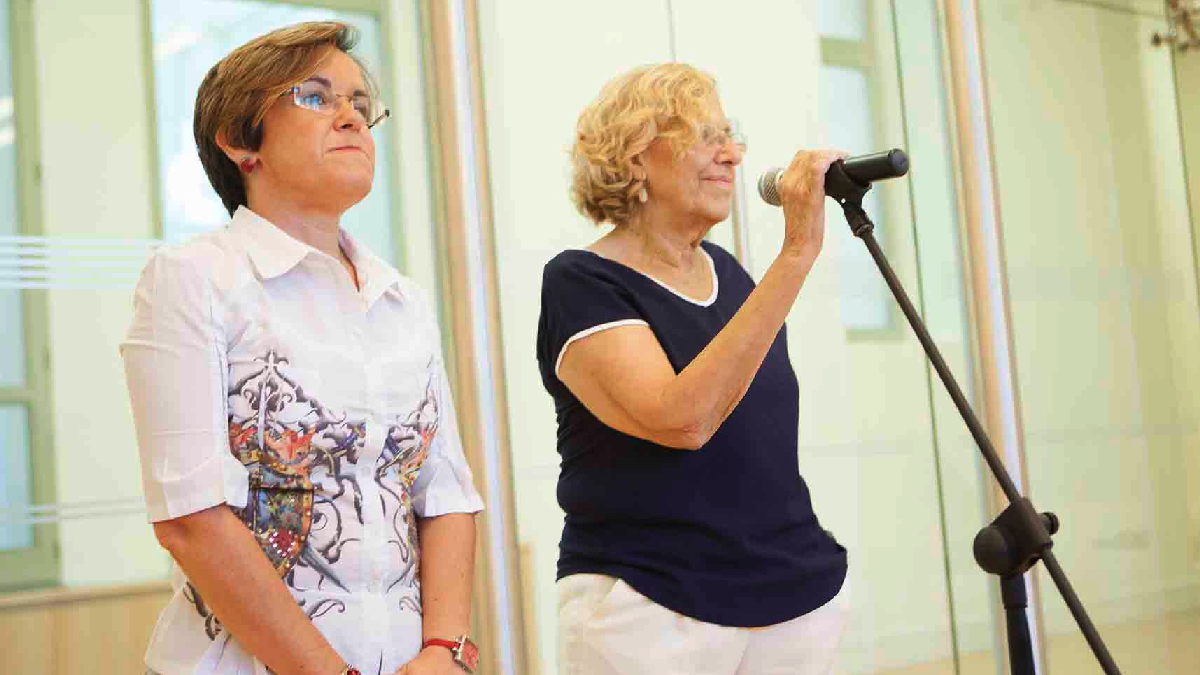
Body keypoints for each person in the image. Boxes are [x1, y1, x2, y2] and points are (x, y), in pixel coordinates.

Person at [122, 22, 483, 675]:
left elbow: (446, 493)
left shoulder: (404, 300)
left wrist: (445, 652)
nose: (351, 117)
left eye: (362, 105)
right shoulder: (195, 280)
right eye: (316, 97)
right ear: (239, 141)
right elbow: (190, 517)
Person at [538, 63, 851, 674]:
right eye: (706, 136)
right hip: (651, 609)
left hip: (788, 597)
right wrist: (796, 253)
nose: (732, 156)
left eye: (730, 137)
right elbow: (684, 421)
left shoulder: (731, 276)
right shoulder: (582, 282)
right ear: (634, 156)